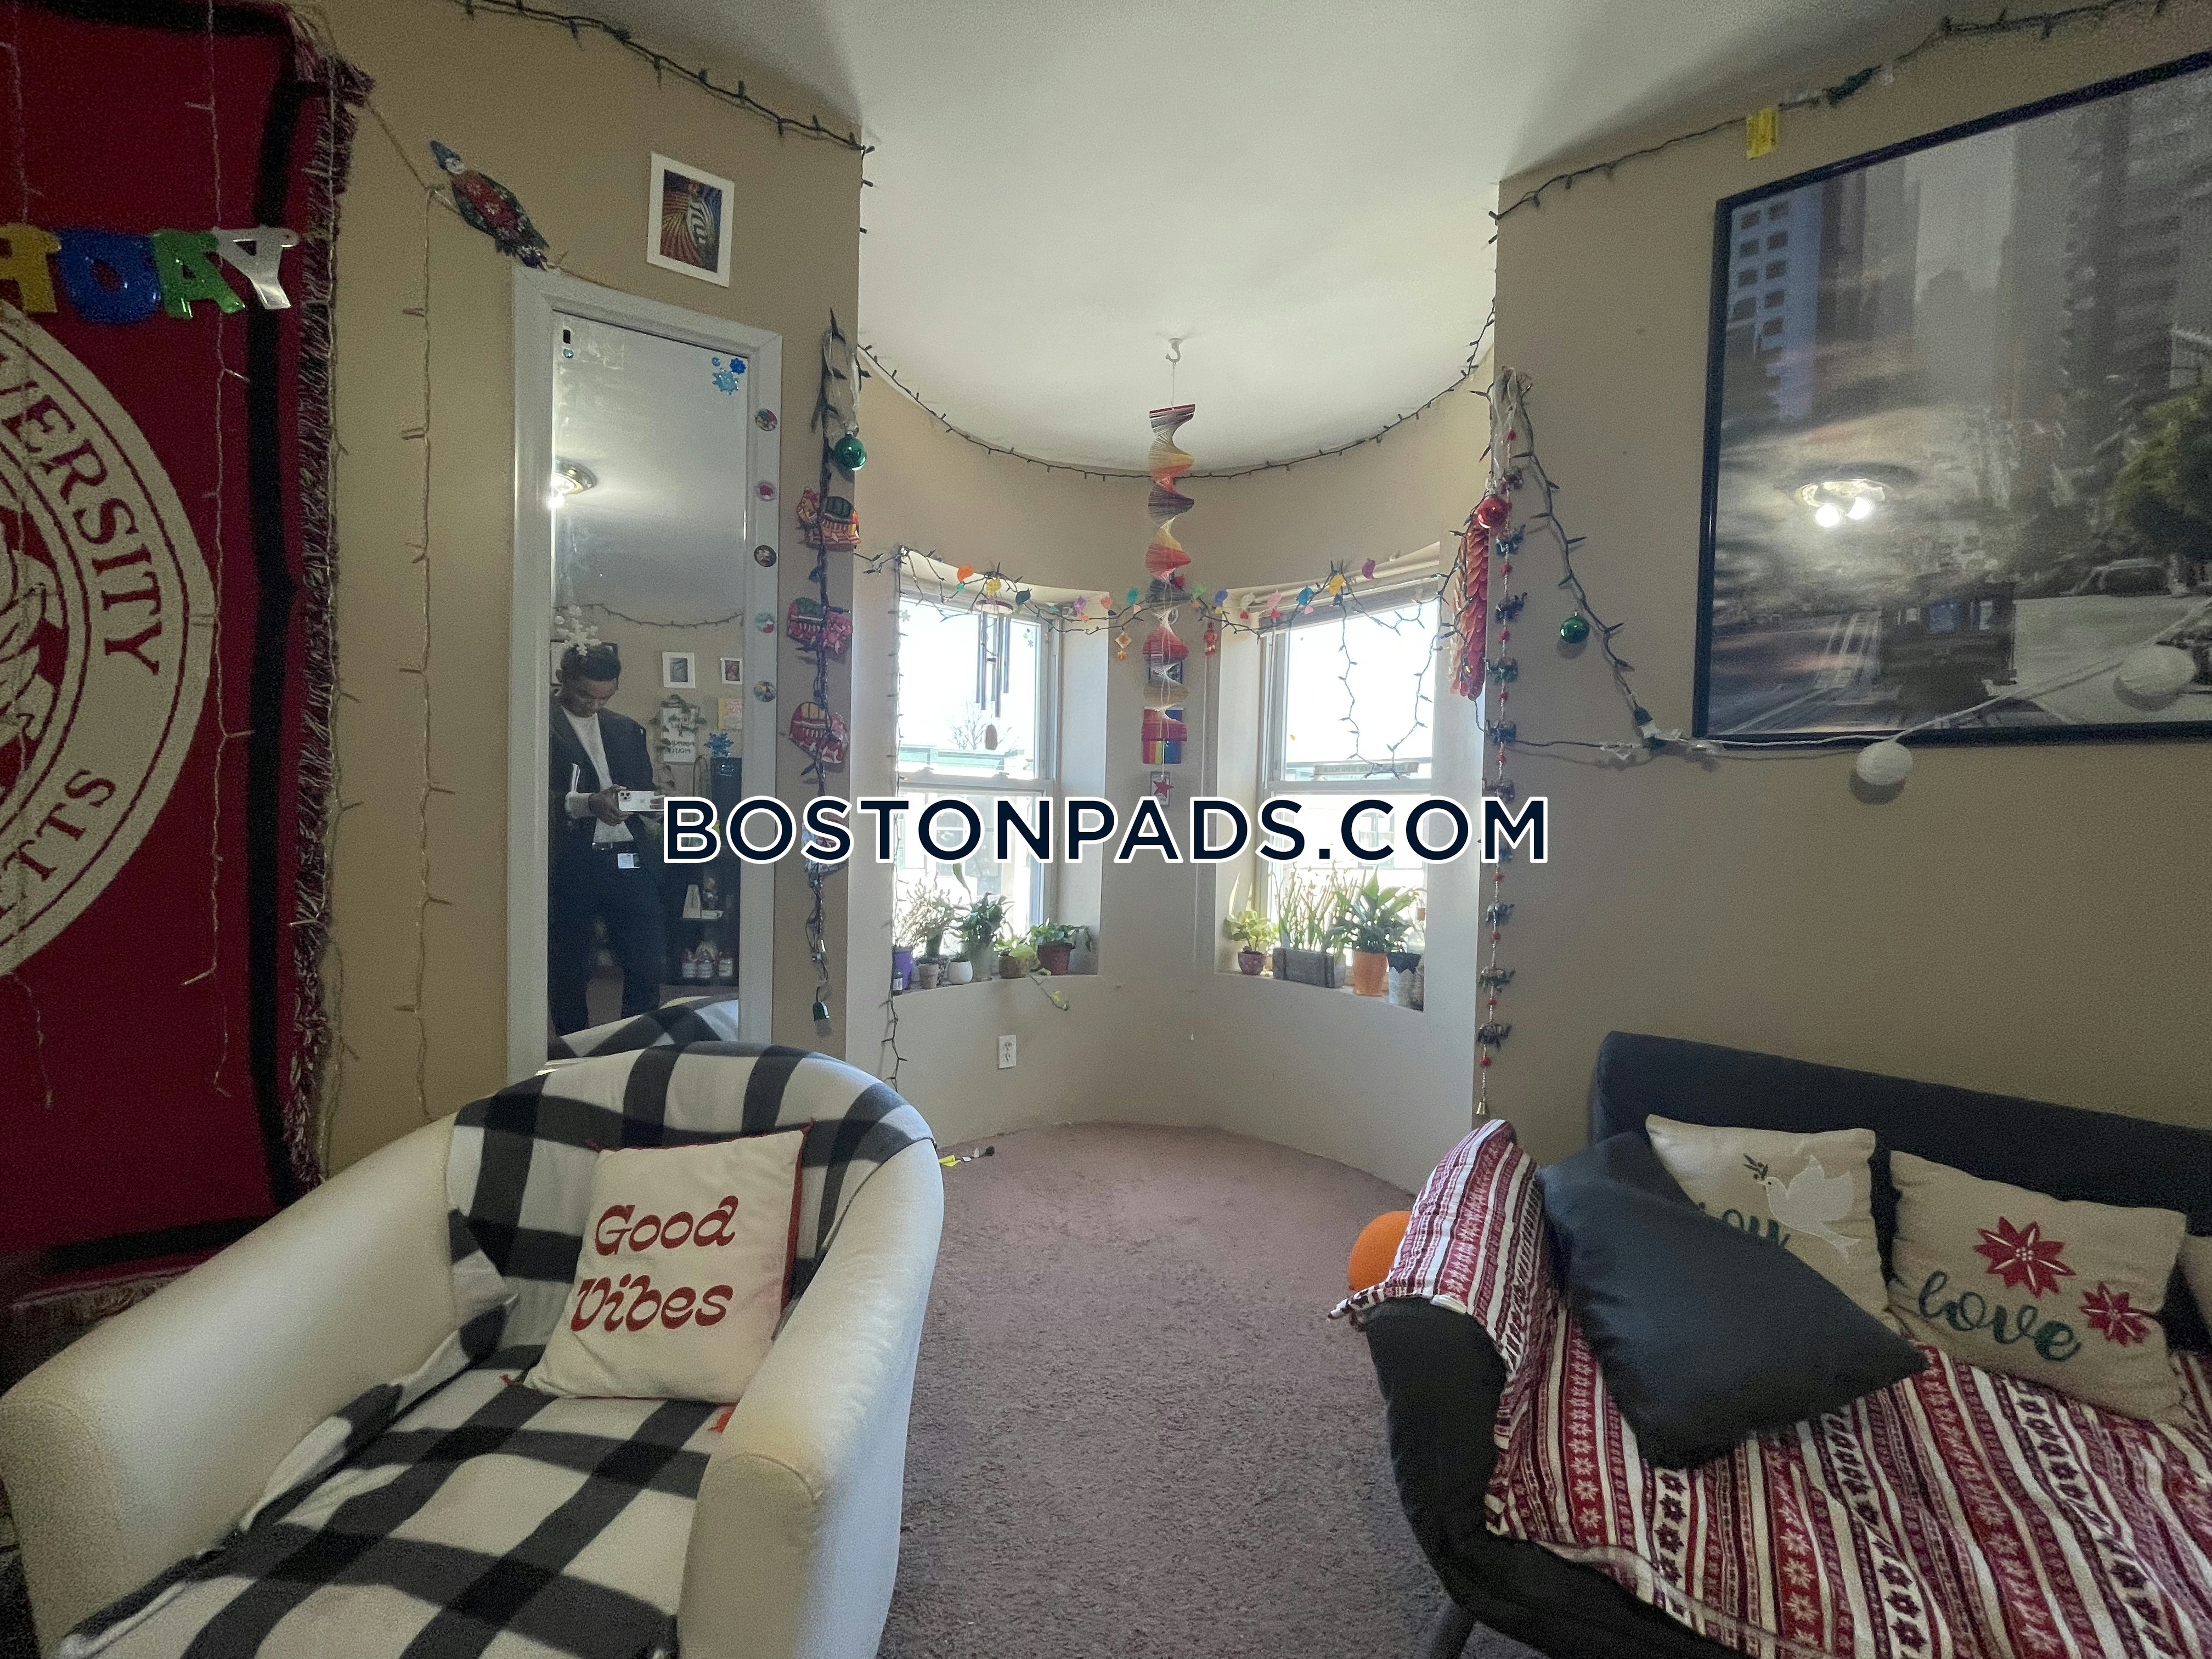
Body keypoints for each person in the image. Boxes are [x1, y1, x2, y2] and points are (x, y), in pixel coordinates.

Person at [548, 642, 665, 1036]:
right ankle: (572, 1051)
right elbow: (528, 798)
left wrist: (652, 802)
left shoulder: (626, 729)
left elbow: (646, 793)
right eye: (586, 695)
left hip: (630, 858)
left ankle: (636, 1049)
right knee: (568, 967)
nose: (595, 705)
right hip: (571, 861)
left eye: (605, 698)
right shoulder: (539, 725)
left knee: (647, 963)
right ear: (562, 678)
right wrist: (588, 803)